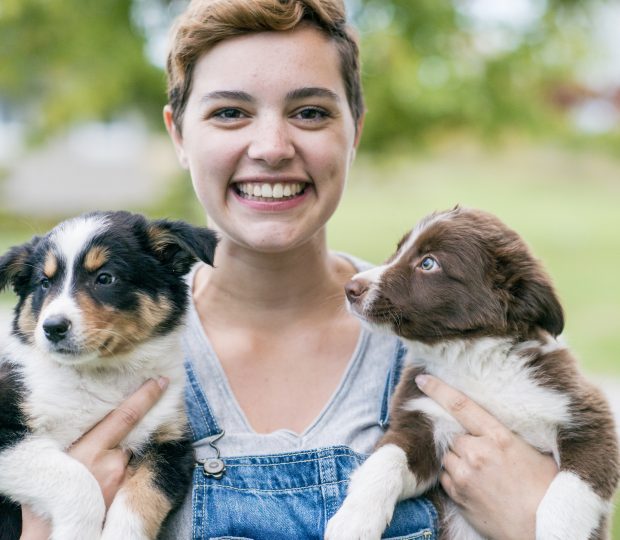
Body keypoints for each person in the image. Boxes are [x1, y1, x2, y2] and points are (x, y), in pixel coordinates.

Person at [20, 0, 558, 538]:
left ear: (356, 130)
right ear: (179, 135)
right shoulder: (66, 362)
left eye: (310, 112)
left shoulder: (466, 340)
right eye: (230, 112)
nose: (272, 148)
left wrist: (534, 520)